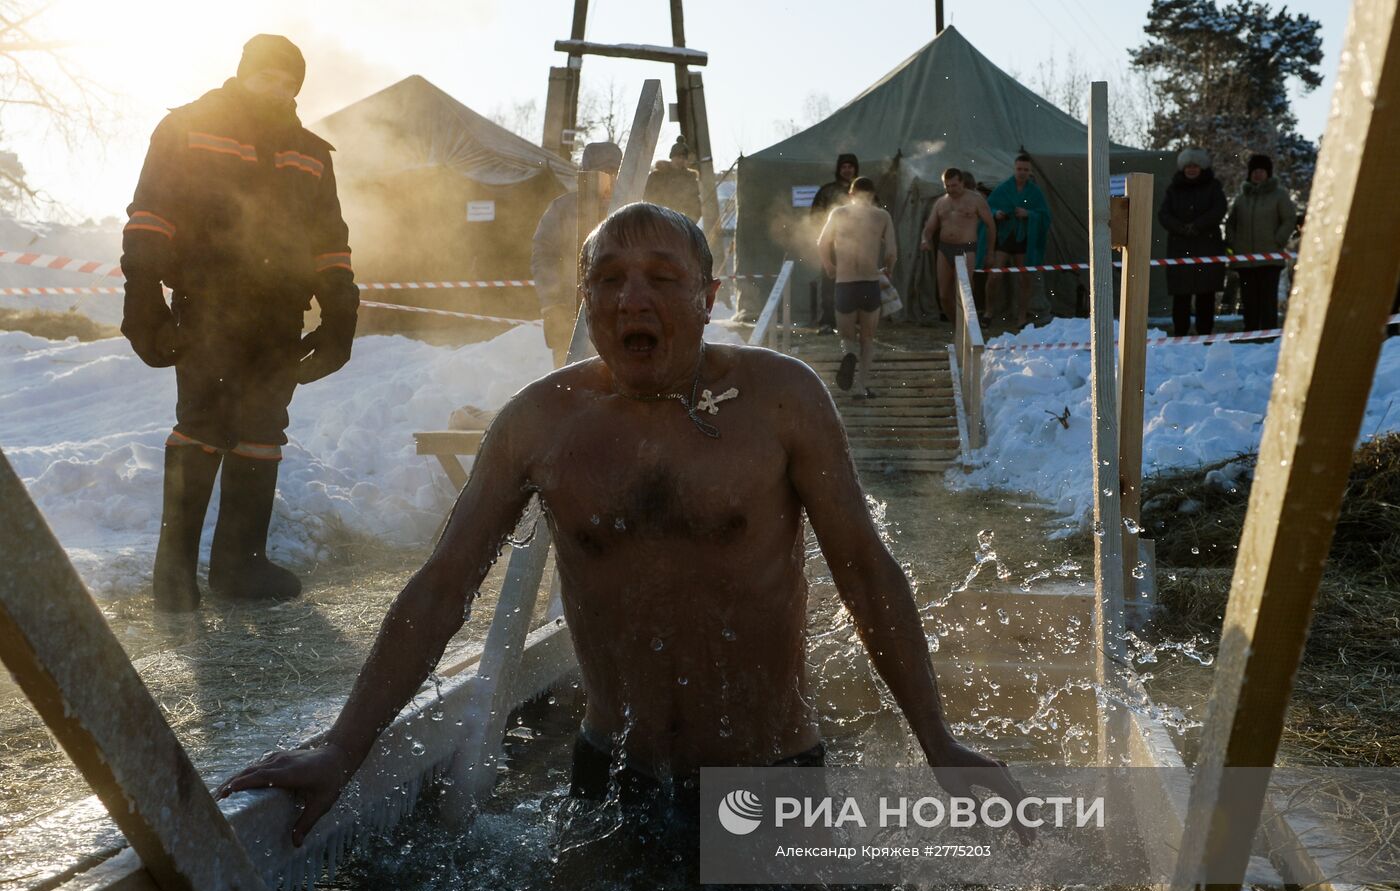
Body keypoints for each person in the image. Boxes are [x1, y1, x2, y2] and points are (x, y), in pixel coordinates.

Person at [220, 203, 1022, 842]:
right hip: (613, 779)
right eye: (608, 278)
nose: (632, 297)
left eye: (661, 278)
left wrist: (937, 742)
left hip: (769, 775)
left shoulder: (781, 401)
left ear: (708, 300)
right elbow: (442, 586)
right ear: (585, 301)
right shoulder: (540, 423)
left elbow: (864, 570)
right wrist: (342, 745)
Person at [121, 35, 359, 613]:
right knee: (202, 423)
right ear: (243, 73)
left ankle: (239, 566)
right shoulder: (189, 126)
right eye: (267, 76)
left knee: (261, 428)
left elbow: (330, 240)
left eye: (288, 82)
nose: (277, 88)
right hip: (208, 307)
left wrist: (340, 315)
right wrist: (143, 296)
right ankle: (173, 573)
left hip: (280, 315)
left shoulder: (310, 150)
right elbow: (151, 214)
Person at [531, 141, 624, 367]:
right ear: (586, 175)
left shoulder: (632, 210)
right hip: (569, 313)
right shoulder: (563, 210)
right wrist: (552, 304)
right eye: (603, 173)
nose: (609, 181)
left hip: (622, 316)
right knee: (571, 386)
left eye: (615, 173)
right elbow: (544, 256)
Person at [817, 176, 896, 399]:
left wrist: (830, 267)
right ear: (872, 196)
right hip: (869, 283)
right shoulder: (882, 216)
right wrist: (888, 270)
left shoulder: (838, 214)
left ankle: (849, 355)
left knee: (847, 336)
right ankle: (861, 387)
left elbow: (821, 243)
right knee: (868, 338)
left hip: (845, 283)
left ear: (851, 194)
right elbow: (891, 251)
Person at [1157, 149, 1227, 337]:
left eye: (1195, 166)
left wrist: (1198, 225)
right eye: (1188, 166)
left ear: (1201, 167)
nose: (1191, 170)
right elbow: (1164, 215)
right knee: (1181, 297)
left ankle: (1205, 332)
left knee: (1206, 295)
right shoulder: (1174, 189)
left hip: (1207, 246)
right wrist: (1181, 228)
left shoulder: (1213, 187)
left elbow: (1219, 209)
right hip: (1180, 249)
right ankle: (1181, 332)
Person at [1224, 154, 1296, 335]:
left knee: (1267, 298)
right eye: (1255, 171)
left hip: (1270, 258)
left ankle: (1269, 333)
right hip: (1245, 259)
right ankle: (1250, 332)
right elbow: (1231, 223)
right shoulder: (1241, 199)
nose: (1258, 175)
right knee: (1249, 299)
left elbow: (1289, 219)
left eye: (1261, 171)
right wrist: (1233, 243)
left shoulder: (1279, 195)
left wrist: (1278, 240)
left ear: (1268, 173)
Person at [919, 167, 995, 323]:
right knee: (944, 296)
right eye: (947, 186)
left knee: (963, 292)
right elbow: (929, 228)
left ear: (962, 183)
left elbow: (991, 225)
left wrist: (990, 251)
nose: (951, 189)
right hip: (945, 249)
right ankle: (958, 326)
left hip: (966, 248)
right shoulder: (941, 202)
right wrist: (925, 240)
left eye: (954, 185)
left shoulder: (975, 199)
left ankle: (968, 324)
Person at [984, 154, 1051, 329]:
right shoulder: (1004, 188)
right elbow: (988, 207)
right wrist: (996, 213)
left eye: (1025, 170)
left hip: (1024, 239)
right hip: (1005, 237)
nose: (1022, 173)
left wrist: (1029, 214)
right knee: (994, 275)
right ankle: (988, 312)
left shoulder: (1035, 192)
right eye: (1019, 169)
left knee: (1025, 278)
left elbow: (1045, 215)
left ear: (1030, 171)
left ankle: (1021, 317)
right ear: (1014, 169)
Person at [810, 153, 859, 328]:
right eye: (844, 167)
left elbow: (873, 213)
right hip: (831, 244)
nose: (847, 170)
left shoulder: (861, 191)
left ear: (855, 168)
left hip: (857, 246)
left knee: (857, 283)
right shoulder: (827, 190)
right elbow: (815, 215)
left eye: (850, 166)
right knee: (829, 283)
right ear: (839, 169)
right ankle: (827, 322)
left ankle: (855, 321)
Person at [643, 138, 702, 222]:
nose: (681, 160)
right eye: (678, 157)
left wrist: (689, 222)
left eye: (684, 158)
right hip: (656, 220)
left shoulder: (690, 181)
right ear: (672, 157)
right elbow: (646, 198)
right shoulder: (657, 176)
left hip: (680, 224)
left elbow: (695, 206)